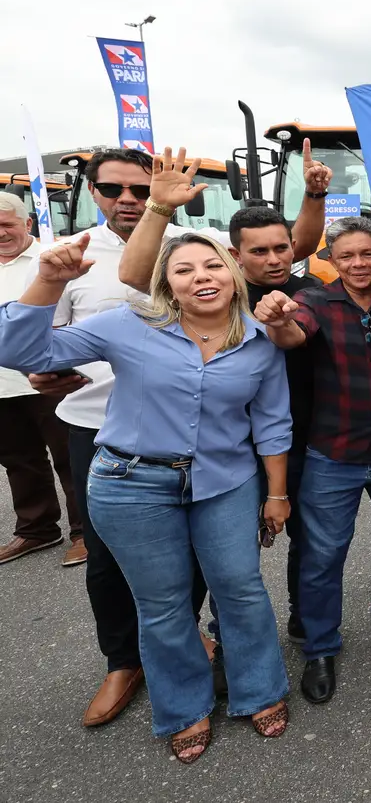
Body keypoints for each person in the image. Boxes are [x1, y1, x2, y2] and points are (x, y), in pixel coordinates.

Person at [0, 218, 293, 763]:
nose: (201, 276)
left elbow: (273, 423)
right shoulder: (128, 323)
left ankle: (258, 689)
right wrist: (48, 281)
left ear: (234, 276)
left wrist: (277, 494)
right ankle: (184, 707)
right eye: (184, 269)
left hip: (225, 482)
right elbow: (22, 354)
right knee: (162, 603)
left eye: (213, 265)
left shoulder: (259, 339)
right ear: (166, 283)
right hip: (131, 483)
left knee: (241, 589)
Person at [23, 148, 216, 727]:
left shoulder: (194, 246)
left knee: (191, 547)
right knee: (105, 555)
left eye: (141, 189)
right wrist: (41, 369)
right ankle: (123, 661)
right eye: (113, 189)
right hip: (98, 427)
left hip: (187, 426)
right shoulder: (71, 254)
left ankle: (183, 636)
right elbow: (41, 338)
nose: (128, 200)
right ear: (93, 192)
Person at [119, 156, 330, 646]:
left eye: (282, 248)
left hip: (300, 440)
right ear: (236, 255)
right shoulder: (216, 291)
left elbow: (294, 332)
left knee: (308, 541)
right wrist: (158, 207)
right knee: (227, 556)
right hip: (227, 448)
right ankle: (220, 634)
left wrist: (315, 194)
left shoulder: (310, 290)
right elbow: (134, 275)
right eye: (259, 251)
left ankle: (305, 623)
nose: (274, 259)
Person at [254, 216, 371, 704]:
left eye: (367, 253)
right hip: (334, 452)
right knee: (323, 554)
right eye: (346, 255)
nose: (358, 264)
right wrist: (278, 320)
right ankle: (320, 646)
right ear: (330, 259)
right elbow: (292, 335)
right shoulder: (314, 302)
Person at [0, 192, 82, 566]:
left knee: (71, 458)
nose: (1, 233)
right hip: (3, 385)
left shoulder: (53, 258)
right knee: (18, 460)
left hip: (51, 379)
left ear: (28, 223)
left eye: (7, 225)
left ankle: (85, 532)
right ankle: (37, 529)